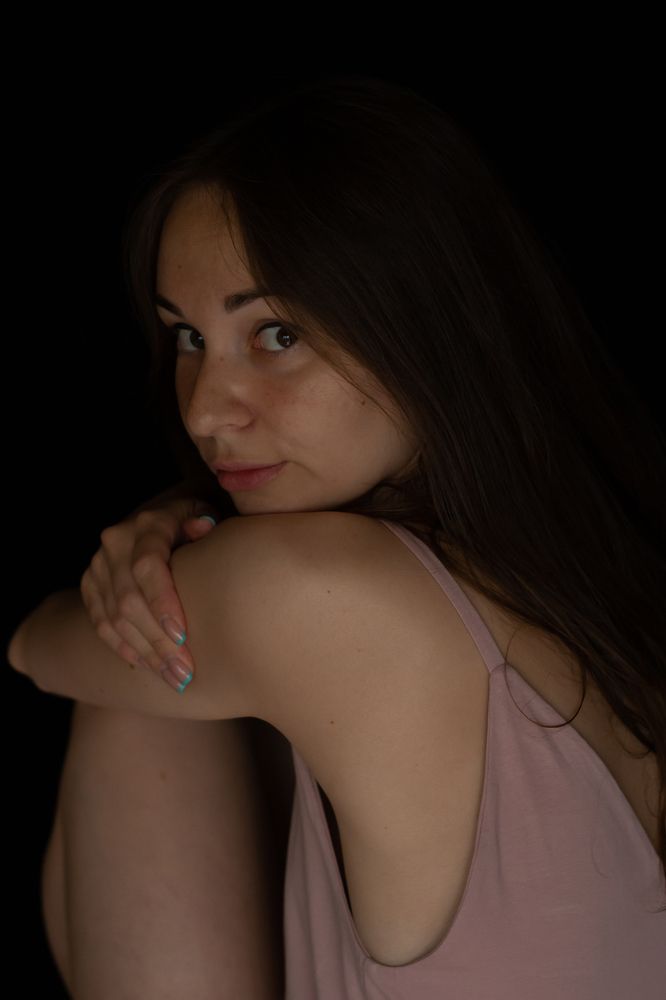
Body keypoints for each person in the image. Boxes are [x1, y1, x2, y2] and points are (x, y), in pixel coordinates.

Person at [8, 76, 666, 998]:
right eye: (188, 339)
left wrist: (162, 549)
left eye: (277, 334)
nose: (204, 413)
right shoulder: (599, 579)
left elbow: (34, 647)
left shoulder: (322, 593)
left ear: (429, 321)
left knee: (141, 659)